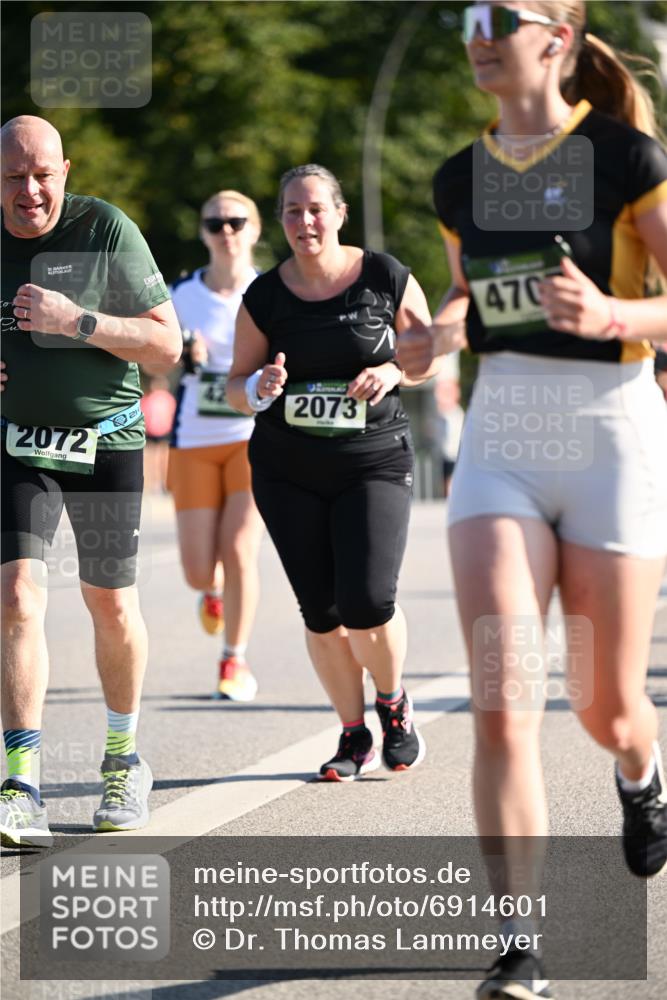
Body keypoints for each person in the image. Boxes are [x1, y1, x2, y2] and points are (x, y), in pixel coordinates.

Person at [398, 4, 667, 997]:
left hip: (611, 432)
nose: (476, 32)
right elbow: (471, 294)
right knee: (504, 700)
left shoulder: (625, 158)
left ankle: (640, 772)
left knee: (604, 707)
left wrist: (612, 312)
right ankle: (517, 943)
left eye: (498, 17)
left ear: (555, 36)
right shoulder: (455, 177)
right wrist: (435, 338)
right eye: (466, 17)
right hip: (503, 437)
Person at [0, 115, 182, 846]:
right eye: (14, 176)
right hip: (19, 446)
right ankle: (20, 781)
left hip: (106, 440)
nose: (30, 189)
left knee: (108, 601)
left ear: (65, 171)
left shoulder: (104, 230)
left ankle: (121, 759)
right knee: (16, 595)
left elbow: (166, 344)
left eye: (43, 173)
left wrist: (78, 321)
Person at [226, 163, 439, 781]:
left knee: (367, 601)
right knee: (320, 611)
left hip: (371, 461)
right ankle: (352, 735)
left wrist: (396, 371)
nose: (305, 221)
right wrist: (260, 387)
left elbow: (426, 355)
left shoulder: (384, 276)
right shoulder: (265, 295)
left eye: (316, 208)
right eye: (292, 211)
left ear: (340, 213)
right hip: (287, 469)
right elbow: (235, 386)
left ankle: (393, 705)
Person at [167, 191, 264, 701]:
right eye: (215, 222)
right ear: (203, 232)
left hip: (253, 439)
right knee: (198, 568)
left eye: (236, 221)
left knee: (240, 550)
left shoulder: (270, 291)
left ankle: (234, 661)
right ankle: (211, 590)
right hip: (194, 441)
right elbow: (147, 360)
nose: (226, 230)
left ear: (255, 230)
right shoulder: (178, 293)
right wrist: (180, 351)